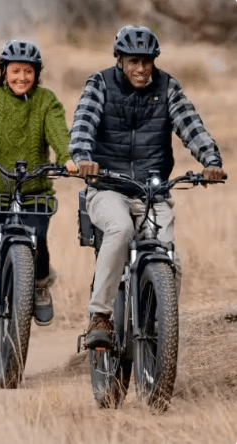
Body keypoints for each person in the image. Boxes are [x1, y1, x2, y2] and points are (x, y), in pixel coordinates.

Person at [68, 25, 226, 349]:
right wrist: (83, 156)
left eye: (147, 61)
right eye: (133, 61)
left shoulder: (168, 87)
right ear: (120, 59)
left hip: (152, 192)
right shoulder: (100, 84)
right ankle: (100, 316)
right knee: (120, 229)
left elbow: (190, 125)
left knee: (171, 260)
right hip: (108, 187)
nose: (140, 69)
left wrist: (210, 160)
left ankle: (158, 330)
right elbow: (83, 122)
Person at [0, 40, 77, 347]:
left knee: (39, 240)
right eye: (16, 70)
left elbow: (58, 132)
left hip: (34, 192)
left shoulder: (46, 100)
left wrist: (67, 158)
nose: (22, 77)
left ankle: (38, 284)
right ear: (4, 71)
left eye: (28, 71)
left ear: (37, 73)